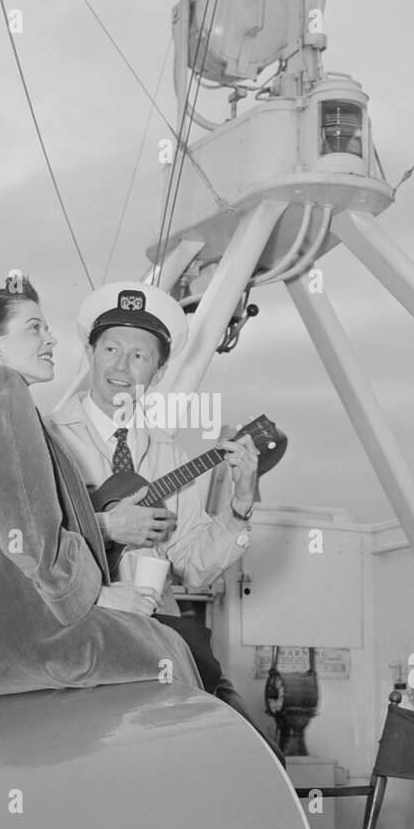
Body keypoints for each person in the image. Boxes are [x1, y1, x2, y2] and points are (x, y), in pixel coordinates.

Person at [0, 283, 202, 698]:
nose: (51, 338)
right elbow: (27, 531)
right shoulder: (2, 389)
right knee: (170, 651)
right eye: (34, 328)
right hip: (5, 645)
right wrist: (95, 596)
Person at [48, 281, 276, 749]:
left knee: (251, 749)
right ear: (89, 353)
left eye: (139, 356)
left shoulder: (170, 457)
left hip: (158, 641)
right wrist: (105, 527)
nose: (120, 366)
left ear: (158, 370)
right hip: (72, 635)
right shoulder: (46, 440)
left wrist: (241, 503)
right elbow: (25, 544)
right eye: (110, 348)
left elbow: (194, 564)